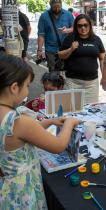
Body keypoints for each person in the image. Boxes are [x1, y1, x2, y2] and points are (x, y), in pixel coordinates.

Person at [0, 54, 80, 209]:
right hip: (21, 191)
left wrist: (49, 121)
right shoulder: (18, 121)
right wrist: (69, 123)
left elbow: (25, 135)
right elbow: (57, 146)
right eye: (27, 86)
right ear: (14, 87)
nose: (28, 90)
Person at [58, 14, 105, 104]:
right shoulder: (70, 38)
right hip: (72, 82)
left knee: (91, 112)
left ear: (90, 26)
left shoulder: (96, 39)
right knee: (72, 111)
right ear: (76, 27)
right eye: (79, 26)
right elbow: (60, 55)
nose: (83, 28)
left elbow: (102, 58)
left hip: (91, 84)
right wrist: (71, 49)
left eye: (85, 25)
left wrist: (104, 76)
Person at [37, 0, 74, 72]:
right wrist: (39, 50)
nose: (57, 9)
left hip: (66, 49)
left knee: (66, 72)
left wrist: (67, 30)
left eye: (59, 7)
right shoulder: (44, 16)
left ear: (61, 5)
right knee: (53, 73)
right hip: (51, 50)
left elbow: (74, 28)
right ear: (50, 5)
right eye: (54, 7)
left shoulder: (68, 15)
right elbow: (41, 35)